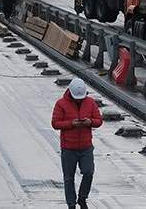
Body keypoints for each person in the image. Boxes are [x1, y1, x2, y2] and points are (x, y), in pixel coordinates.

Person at [51, 78, 102, 209]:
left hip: (86, 147)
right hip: (68, 148)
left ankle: (82, 198)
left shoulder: (90, 103)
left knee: (88, 172)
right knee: (69, 178)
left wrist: (90, 122)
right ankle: (71, 204)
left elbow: (98, 120)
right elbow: (55, 123)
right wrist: (70, 124)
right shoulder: (61, 104)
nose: (79, 100)